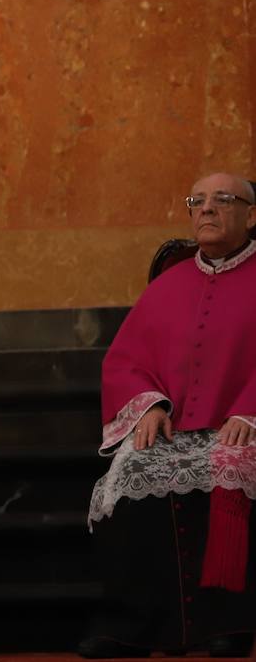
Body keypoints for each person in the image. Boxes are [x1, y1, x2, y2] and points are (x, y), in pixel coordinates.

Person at [80, 172, 256, 658]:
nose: (207, 209)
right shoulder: (169, 284)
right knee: (134, 469)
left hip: (244, 425)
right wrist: (149, 404)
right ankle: (134, 624)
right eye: (196, 201)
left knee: (230, 464)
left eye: (223, 200)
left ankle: (228, 624)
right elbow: (124, 360)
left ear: (250, 214)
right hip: (179, 428)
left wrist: (249, 411)